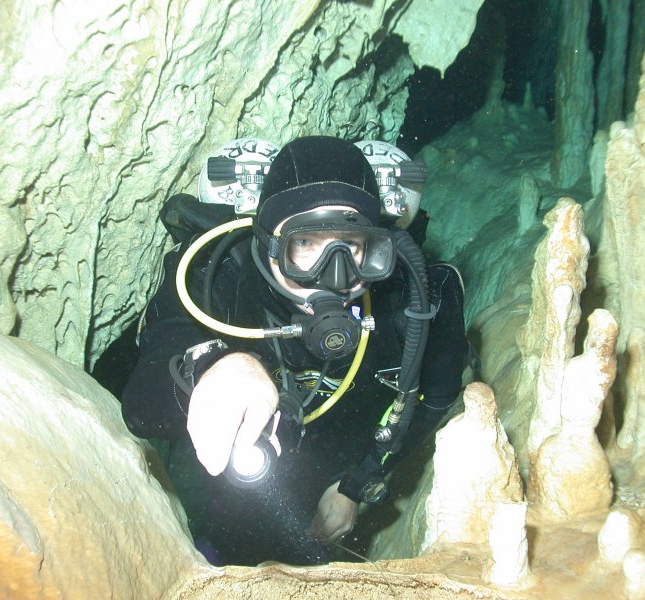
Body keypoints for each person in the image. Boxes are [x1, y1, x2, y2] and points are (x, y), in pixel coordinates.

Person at [122, 135, 469, 566]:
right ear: (269, 242)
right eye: (304, 244)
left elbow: (433, 399)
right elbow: (143, 404)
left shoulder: (413, 299)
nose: (334, 277)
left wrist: (356, 484)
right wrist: (217, 363)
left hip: (335, 473)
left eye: (352, 246)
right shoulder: (216, 275)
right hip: (235, 482)